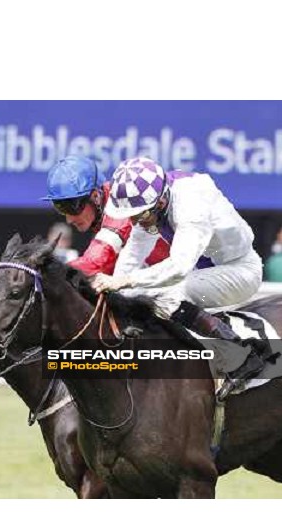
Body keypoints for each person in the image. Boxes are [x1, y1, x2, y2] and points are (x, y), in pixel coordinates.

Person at [92, 156, 270, 397]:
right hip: (208, 271)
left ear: (161, 201)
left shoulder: (190, 204)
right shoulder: (153, 203)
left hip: (241, 271)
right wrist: (115, 289)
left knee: (168, 293)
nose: (135, 222)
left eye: (140, 216)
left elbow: (178, 267)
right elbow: (132, 255)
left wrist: (124, 281)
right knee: (134, 291)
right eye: (130, 217)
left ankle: (242, 356)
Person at [41, 155, 170, 277]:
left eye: (71, 207)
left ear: (95, 196)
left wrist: (43, 274)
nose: (69, 219)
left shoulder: (121, 204)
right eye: (60, 207)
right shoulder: (102, 209)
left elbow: (94, 263)